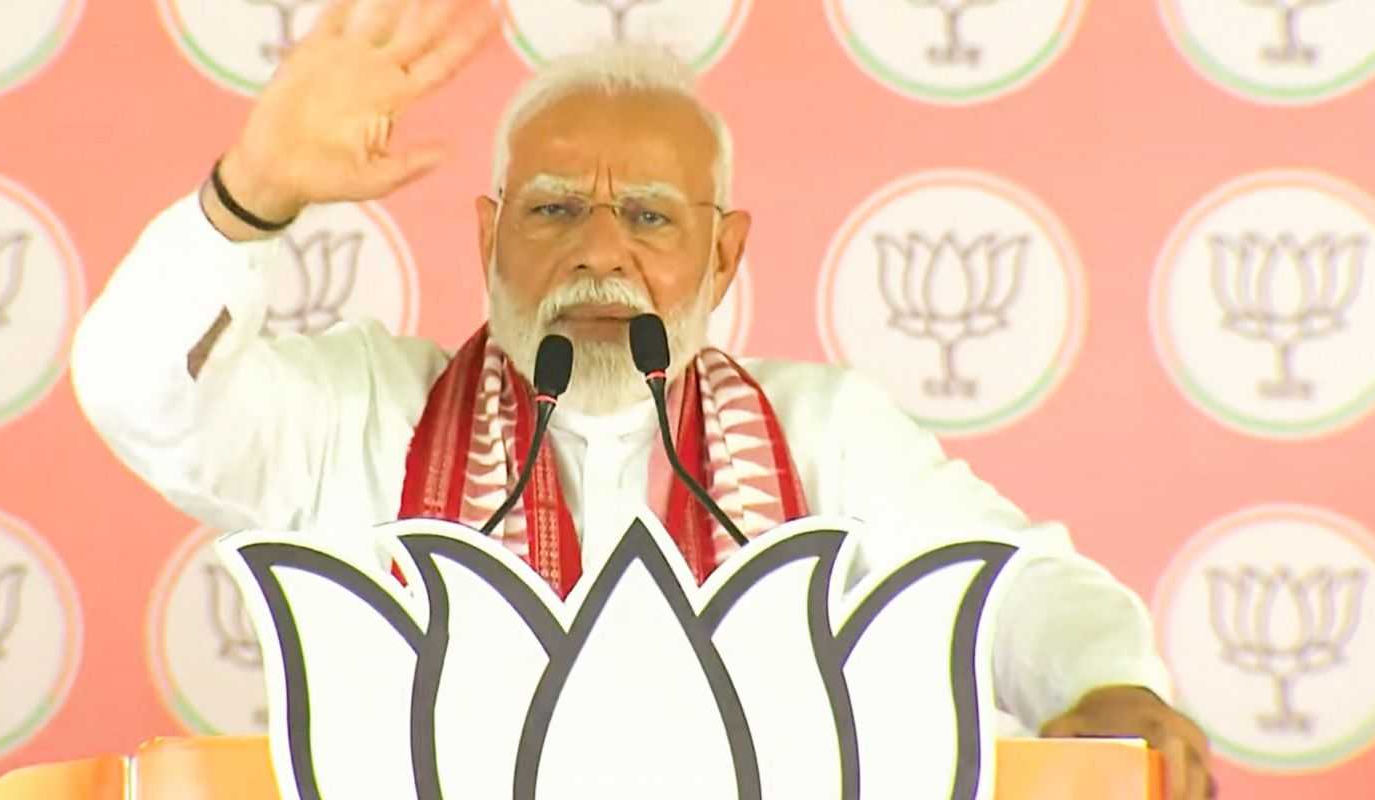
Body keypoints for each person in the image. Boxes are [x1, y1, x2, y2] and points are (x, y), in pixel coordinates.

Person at [69, 0, 1213, 796]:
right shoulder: (362, 414)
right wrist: (251, 195)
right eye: (555, 209)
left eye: (654, 217)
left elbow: (1012, 591)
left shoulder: (825, 434)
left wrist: (1104, 681)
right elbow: (140, 392)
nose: (600, 252)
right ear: (489, 236)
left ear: (725, 255)